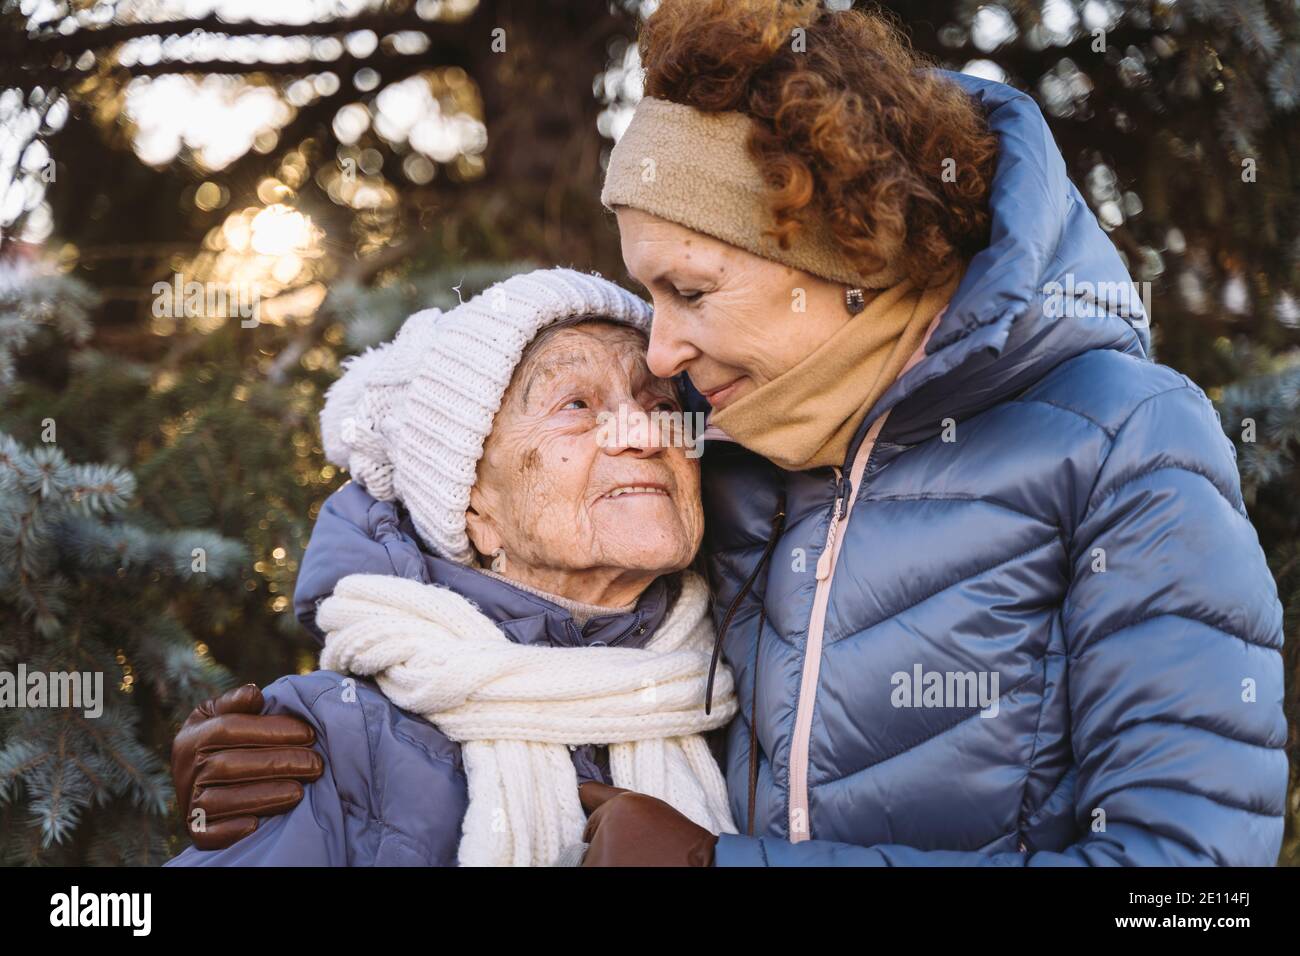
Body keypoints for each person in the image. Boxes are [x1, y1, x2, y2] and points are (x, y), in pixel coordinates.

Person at [173, 1, 1287, 866]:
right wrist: (303, 732)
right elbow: (451, 490)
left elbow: (1187, 888)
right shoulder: (737, 434)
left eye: (690, 289)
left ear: (839, 253)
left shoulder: (1122, 444)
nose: (659, 356)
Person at [168, 267, 732, 866]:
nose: (644, 431)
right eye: (576, 403)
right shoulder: (334, 739)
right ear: (471, 508)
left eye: (662, 403)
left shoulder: (751, 679)